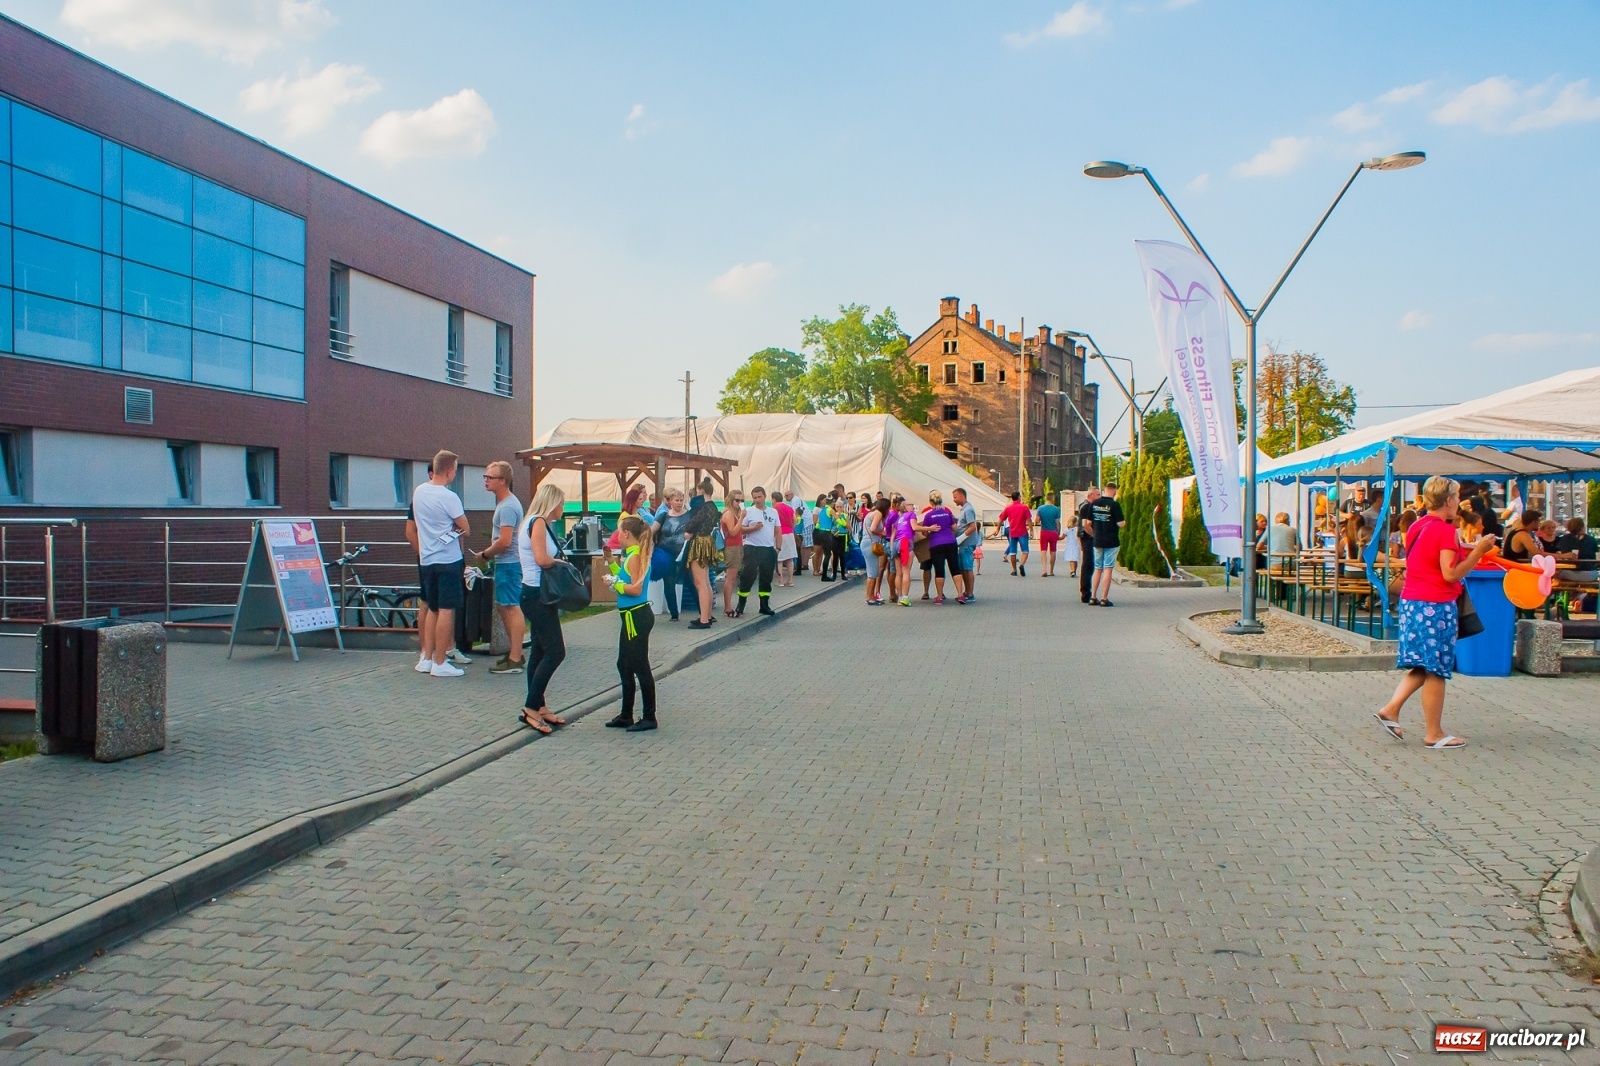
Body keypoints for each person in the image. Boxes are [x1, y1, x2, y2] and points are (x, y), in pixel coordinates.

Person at [1374, 476, 1496, 750]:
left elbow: (1426, 558)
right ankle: (1434, 733)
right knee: (1436, 669)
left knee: (1423, 664)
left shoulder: (1417, 525)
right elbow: (1450, 573)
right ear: (1449, 500)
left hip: (1412, 602)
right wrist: (1478, 550)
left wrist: (1465, 549)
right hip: (1435, 605)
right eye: (1457, 496)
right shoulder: (1445, 530)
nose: (1459, 501)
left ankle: (1390, 709)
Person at [410, 450, 471, 677]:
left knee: (432, 608)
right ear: (449, 470)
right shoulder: (449, 497)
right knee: (446, 609)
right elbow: (466, 528)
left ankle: (426, 658)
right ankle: (440, 662)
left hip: (427, 559)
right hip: (448, 559)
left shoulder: (419, 491)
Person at [516, 484, 570, 734]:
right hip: (536, 594)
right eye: (561, 503)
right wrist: (561, 563)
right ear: (552, 503)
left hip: (537, 593)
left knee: (539, 650)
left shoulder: (538, 523)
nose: (563, 508)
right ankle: (530, 707)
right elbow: (541, 559)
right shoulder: (537, 522)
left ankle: (540, 705)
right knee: (556, 651)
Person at [603, 516, 658, 733]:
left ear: (626, 534)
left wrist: (614, 584)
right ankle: (626, 714)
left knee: (639, 665)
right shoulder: (632, 556)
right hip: (630, 616)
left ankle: (649, 716)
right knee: (624, 664)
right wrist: (611, 562)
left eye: (619, 532)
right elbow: (625, 577)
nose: (617, 536)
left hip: (636, 616)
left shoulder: (635, 557)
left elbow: (635, 589)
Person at [470, 461, 525, 674]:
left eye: (490, 477)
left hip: (509, 563)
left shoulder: (508, 506)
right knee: (504, 606)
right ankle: (514, 653)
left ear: (503, 481)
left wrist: (485, 555)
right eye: (485, 476)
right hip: (505, 563)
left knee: (511, 606)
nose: (486, 480)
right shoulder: (504, 504)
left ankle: (515, 657)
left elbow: (504, 541)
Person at [735, 486, 780, 616]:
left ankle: (764, 605)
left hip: (768, 549)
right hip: (752, 548)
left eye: (759, 497)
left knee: (766, 577)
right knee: (747, 576)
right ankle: (741, 604)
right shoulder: (748, 511)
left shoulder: (773, 512)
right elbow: (741, 529)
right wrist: (754, 528)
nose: (757, 500)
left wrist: (778, 548)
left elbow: (778, 531)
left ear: (765, 496)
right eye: (755, 498)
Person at [914, 491, 962, 604]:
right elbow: (955, 528)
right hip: (950, 542)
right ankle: (960, 595)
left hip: (936, 544)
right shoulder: (947, 513)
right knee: (955, 568)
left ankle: (939, 597)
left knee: (939, 570)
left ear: (931, 502)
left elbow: (925, 533)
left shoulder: (928, 515)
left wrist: (929, 531)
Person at [651, 488, 693, 621]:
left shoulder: (689, 515)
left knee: (691, 581)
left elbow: (697, 530)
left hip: (684, 552)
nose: (679, 503)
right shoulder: (664, 515)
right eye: (676, 500)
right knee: (669, 582)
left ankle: (704, 611)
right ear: (670, 501)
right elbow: (652, 530)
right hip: (666, 552)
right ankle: (674, 613)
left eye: (681, 500)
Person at [683, 496, 719, 629]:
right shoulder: (713, 507)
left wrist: (690, 531)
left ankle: (704, 620)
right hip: (708, 542)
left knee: (700, 583)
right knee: (706, 582)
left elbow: (690, 524)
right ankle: (707, 616)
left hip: (699, 544)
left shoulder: (701, 509)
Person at [1088, 483, 1125, 607]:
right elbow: (1121, 523)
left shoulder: (1094, 503)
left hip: (1097, 540)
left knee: (1098, 568)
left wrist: (1094, 534)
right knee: (1108, 568)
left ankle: (1093, 597)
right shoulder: (1114, 505)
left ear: (1105, 490)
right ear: (1114, 491)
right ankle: (1104, 598)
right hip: (1111, 541)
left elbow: (1087, 522)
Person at [720, 490, 746, 617]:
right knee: (730, 578)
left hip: (736, 546)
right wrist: (741, 518)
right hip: (731, 547)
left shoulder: (734, 513)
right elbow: (733, 531)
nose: (739, 503)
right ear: (731, 500)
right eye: (737, 500)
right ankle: (727, 607)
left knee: (732, 577)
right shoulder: (729, 513)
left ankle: (728, 606)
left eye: (742, 500)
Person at [952, 487, 979, 603]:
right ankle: (967, 591)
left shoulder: (968, 510)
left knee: (967, 568)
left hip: (967, 544)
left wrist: (960, 538)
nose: (954, 500)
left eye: (955, 497)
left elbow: (972, 527)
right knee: (963, 568)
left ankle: (970, 593)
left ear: (962, 496)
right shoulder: (964, 509)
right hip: (963, 544)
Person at [996, 492, 1033, 576]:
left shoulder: (1008, 508)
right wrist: (1031, 530)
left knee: (1013, 552)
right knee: (1025, 551)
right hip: (1022, 532)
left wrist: (997, 528)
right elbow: (1028, 520)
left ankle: (1014, 570)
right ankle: (1022, 564)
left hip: (1012, 532)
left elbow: (1001, 519)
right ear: (1019, 497)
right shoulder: (1024, 507)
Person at [862, 497, 890, 605]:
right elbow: (873, 528)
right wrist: (881, 533)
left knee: (873, 571)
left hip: (866, 542)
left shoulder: (871, 513)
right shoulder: (878, 514)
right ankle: (869, 597)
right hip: (871, 543)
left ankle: (872, 596)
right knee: (872, 572)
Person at [891, 495, 916, 606]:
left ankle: (900, 597)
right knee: (906, 572)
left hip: (896, 543)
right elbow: (915, 527)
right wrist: (929, 528)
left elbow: (893, 534)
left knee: (898, 573)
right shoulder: (911, 515)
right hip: (906, 542)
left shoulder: (899, 519)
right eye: (911, 505)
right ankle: (905, 598)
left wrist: (892, 548)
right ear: (905, 507)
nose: (913, 507)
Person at [1077, 487, 1100, 604]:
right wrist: (1094, 535)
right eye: (1098, 494)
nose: (1099, 497)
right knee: (1088, 564)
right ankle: (1085, 593)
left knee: (1089, 564)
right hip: (1087, 538)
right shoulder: (1087, 506)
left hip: (1085, 537)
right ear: (1091, 495)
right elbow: (1085, 525)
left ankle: (1086, 591)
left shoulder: (1084, 505)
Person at [773, 491, 798, 587]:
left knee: (780, 558)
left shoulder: (774, 508)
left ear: (773, 499)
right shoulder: (789, 507)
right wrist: (791, 527)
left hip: (779, 533)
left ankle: (780, 580)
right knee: (789, 558)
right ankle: (790, 580)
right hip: (790, 533)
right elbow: (795, 520)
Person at [1036, 494, 1062, 577]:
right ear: (1053, 498)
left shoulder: (1040, 508)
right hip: (1053, 532)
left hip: (1044, 532)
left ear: (1046, 498)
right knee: (1053, 551)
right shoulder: (1056, 509)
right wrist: (1058, 532)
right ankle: (1051, 571)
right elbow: (1057, 523)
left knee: (1043, 551)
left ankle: (1044, 570)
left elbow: (1037, 521)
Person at [813, 493, 835, 580]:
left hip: (823, 530)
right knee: (817, 551)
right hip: (820, 531)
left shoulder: (824, 509)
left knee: (822, 551)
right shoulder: (817, 509)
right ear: (820, 500)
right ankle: (815, 569)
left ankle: (819, 569)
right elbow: (815, 521)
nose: (825, 502)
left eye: (826, 500)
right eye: (824, 500)